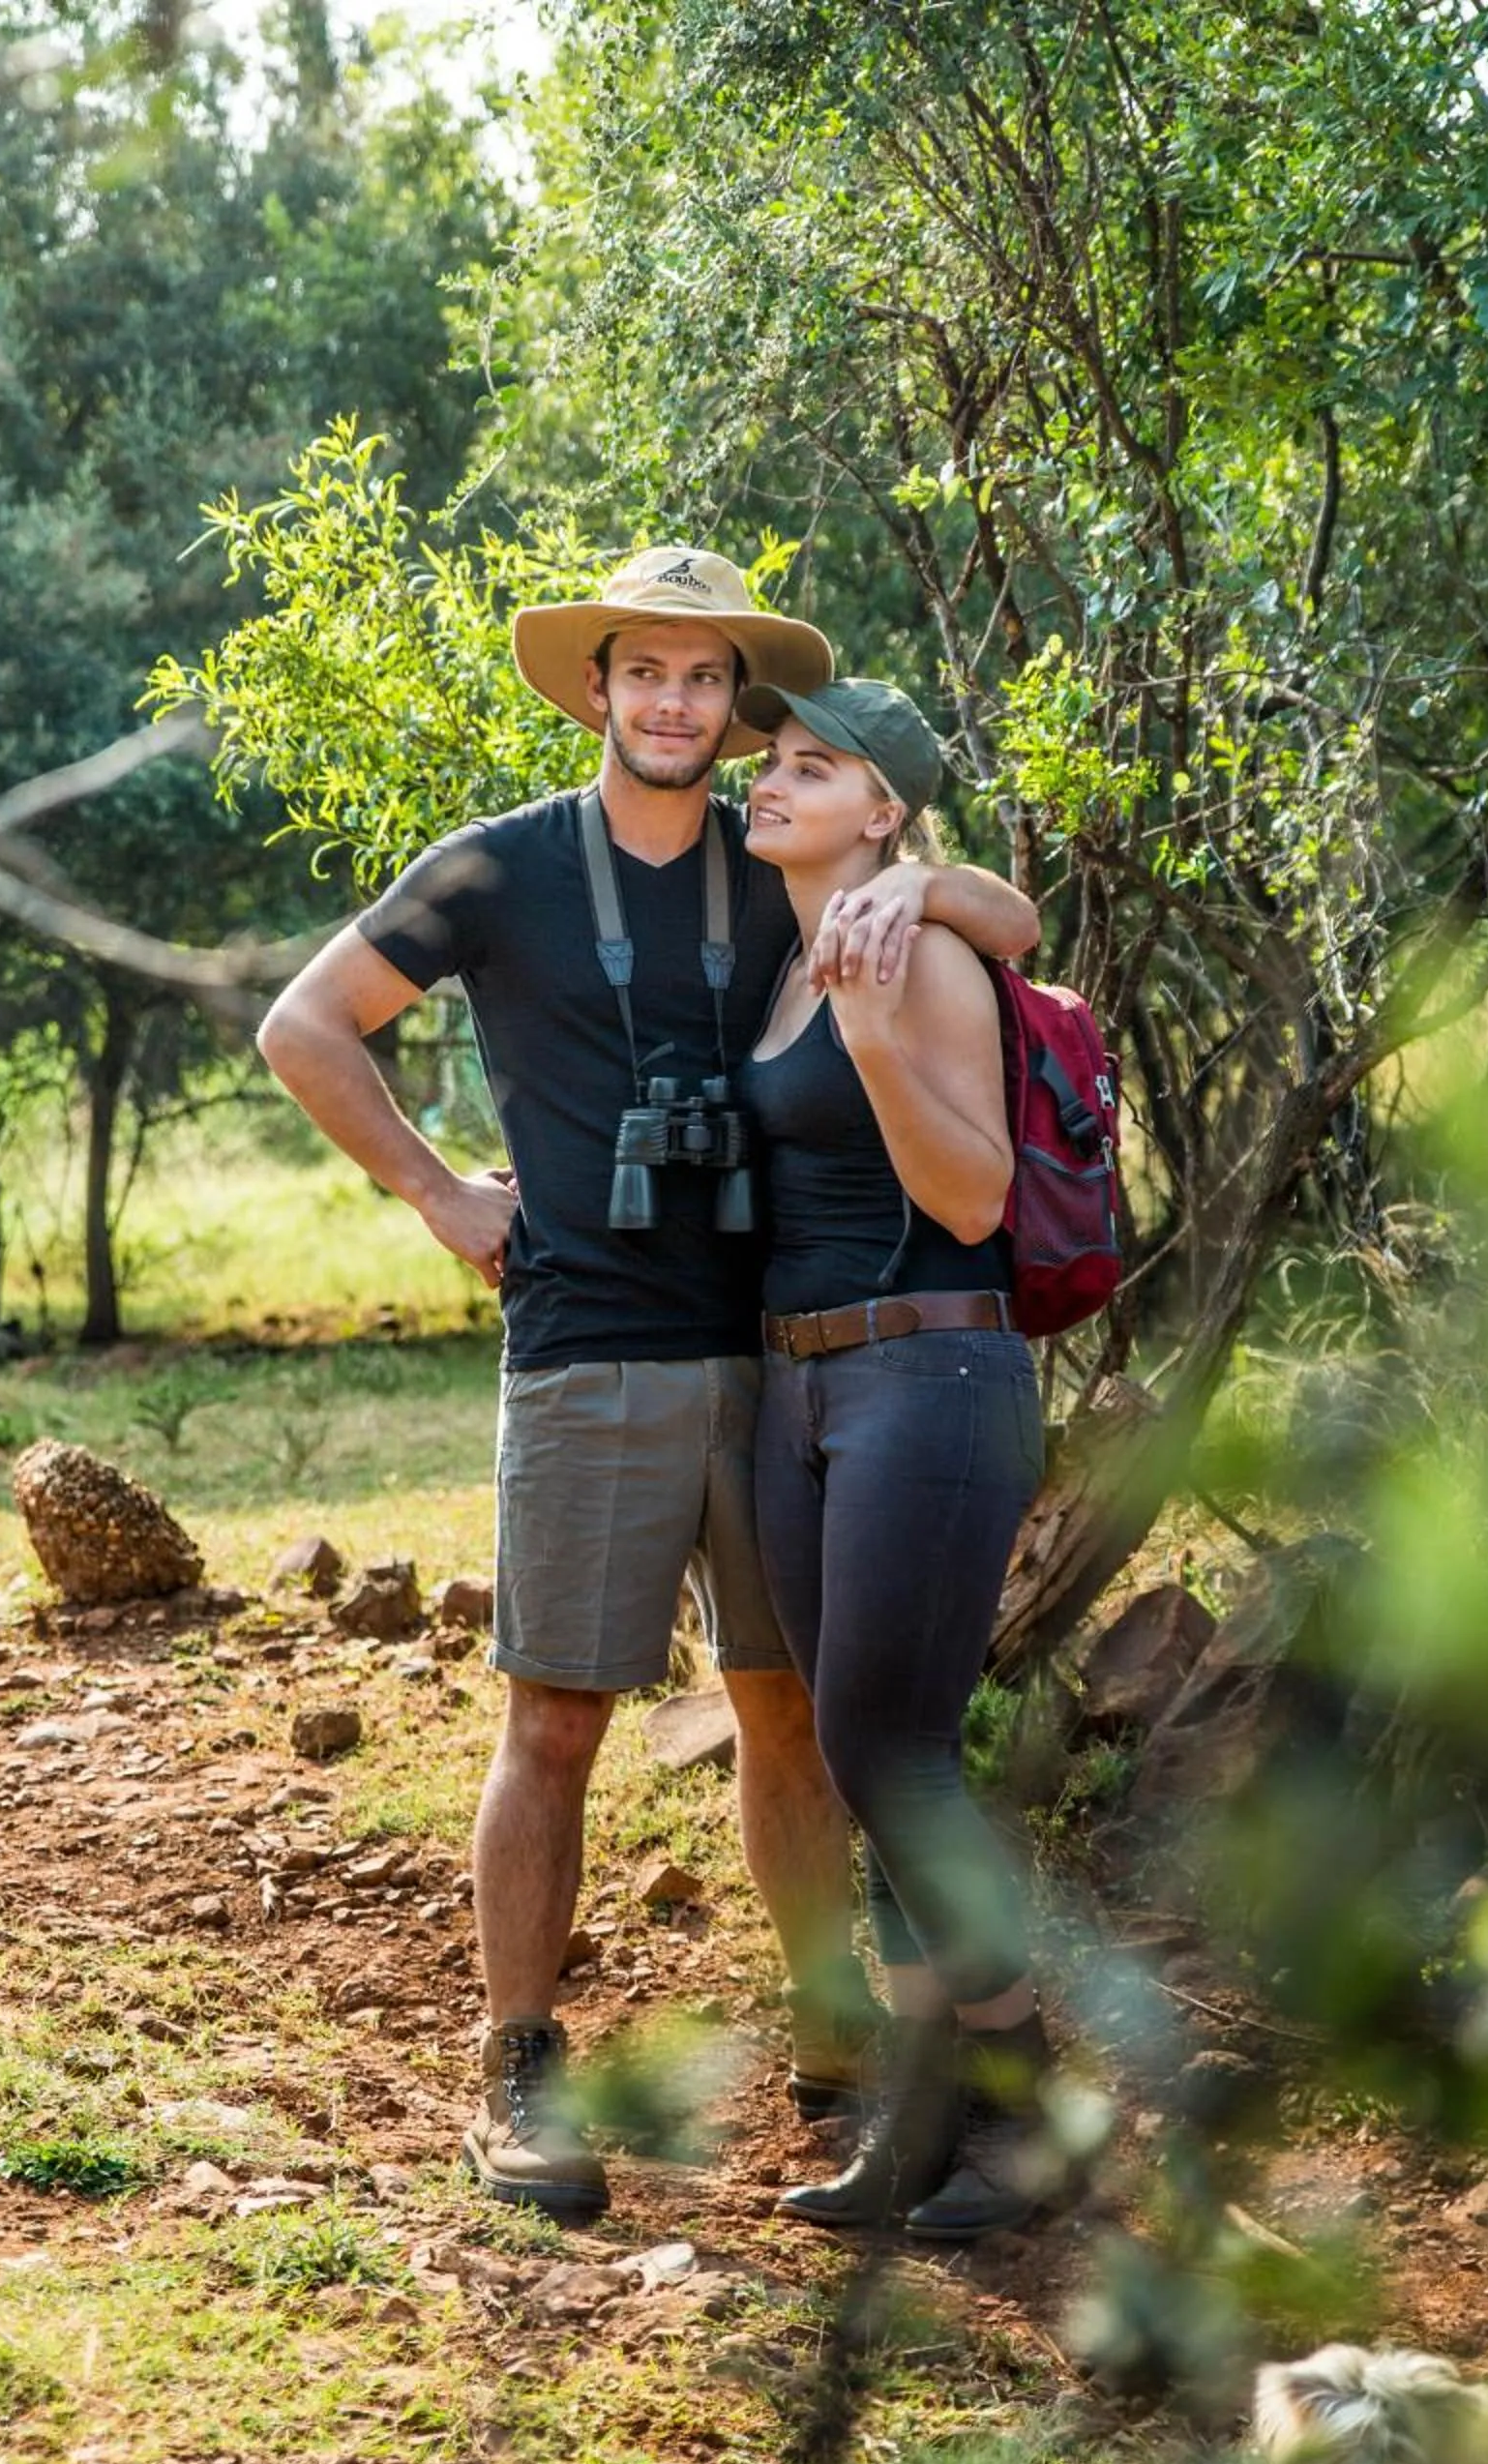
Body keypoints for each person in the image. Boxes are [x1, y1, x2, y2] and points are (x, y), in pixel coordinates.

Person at [255, 548, 1039, 2221]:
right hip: (587, 1344)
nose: (675, 704)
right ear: (596, 688)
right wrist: (442, 1195)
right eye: (645, 674)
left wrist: (942, 892)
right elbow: (307, 1027)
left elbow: (983, 911)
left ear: (726, 706)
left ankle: (837, 2054)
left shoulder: (774, 851)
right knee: (555, 1718)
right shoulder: (497, 870)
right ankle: (520, 2072)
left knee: (791, 1724)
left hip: (775, 1352)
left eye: (703, 679)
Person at [735, 676, 1064, 2241]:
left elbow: (973, 1196)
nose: (773, 782)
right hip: (801, 1393)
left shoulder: (907, 951)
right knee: (870, 1762)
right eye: (770, 762)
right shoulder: (790, 959)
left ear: (885, 812)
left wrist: (871, 1031)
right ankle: (930, 2133)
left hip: (928, 1370)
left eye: (815, 769)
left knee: (893, 1757)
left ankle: (1032, 2109)